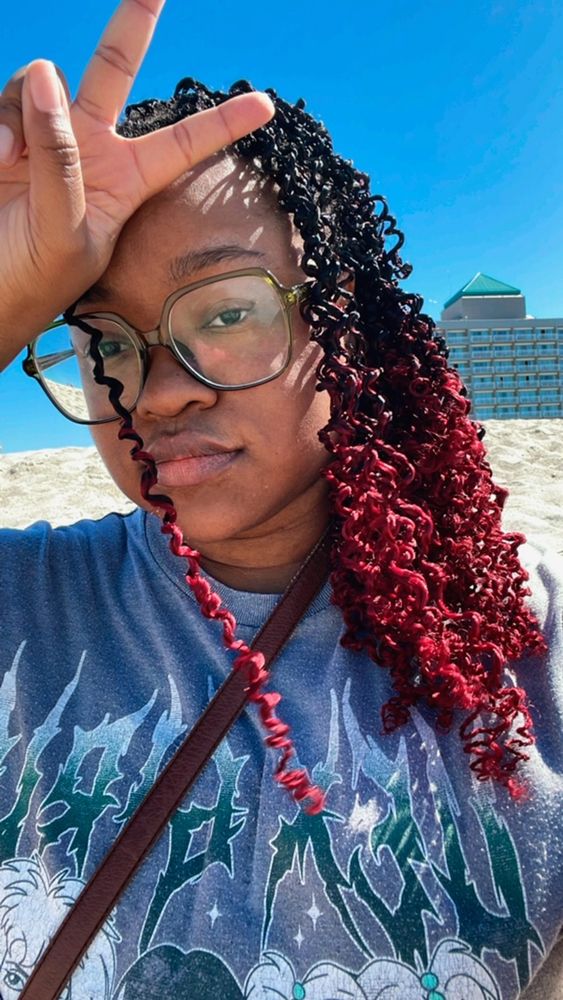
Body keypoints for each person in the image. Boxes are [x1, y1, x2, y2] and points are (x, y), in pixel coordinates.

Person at [0, 3, 561, 998]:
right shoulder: (25, 604)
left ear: (342, 325)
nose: (160, 386)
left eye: (224, 312)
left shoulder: (528, 636)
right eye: (102, 342)